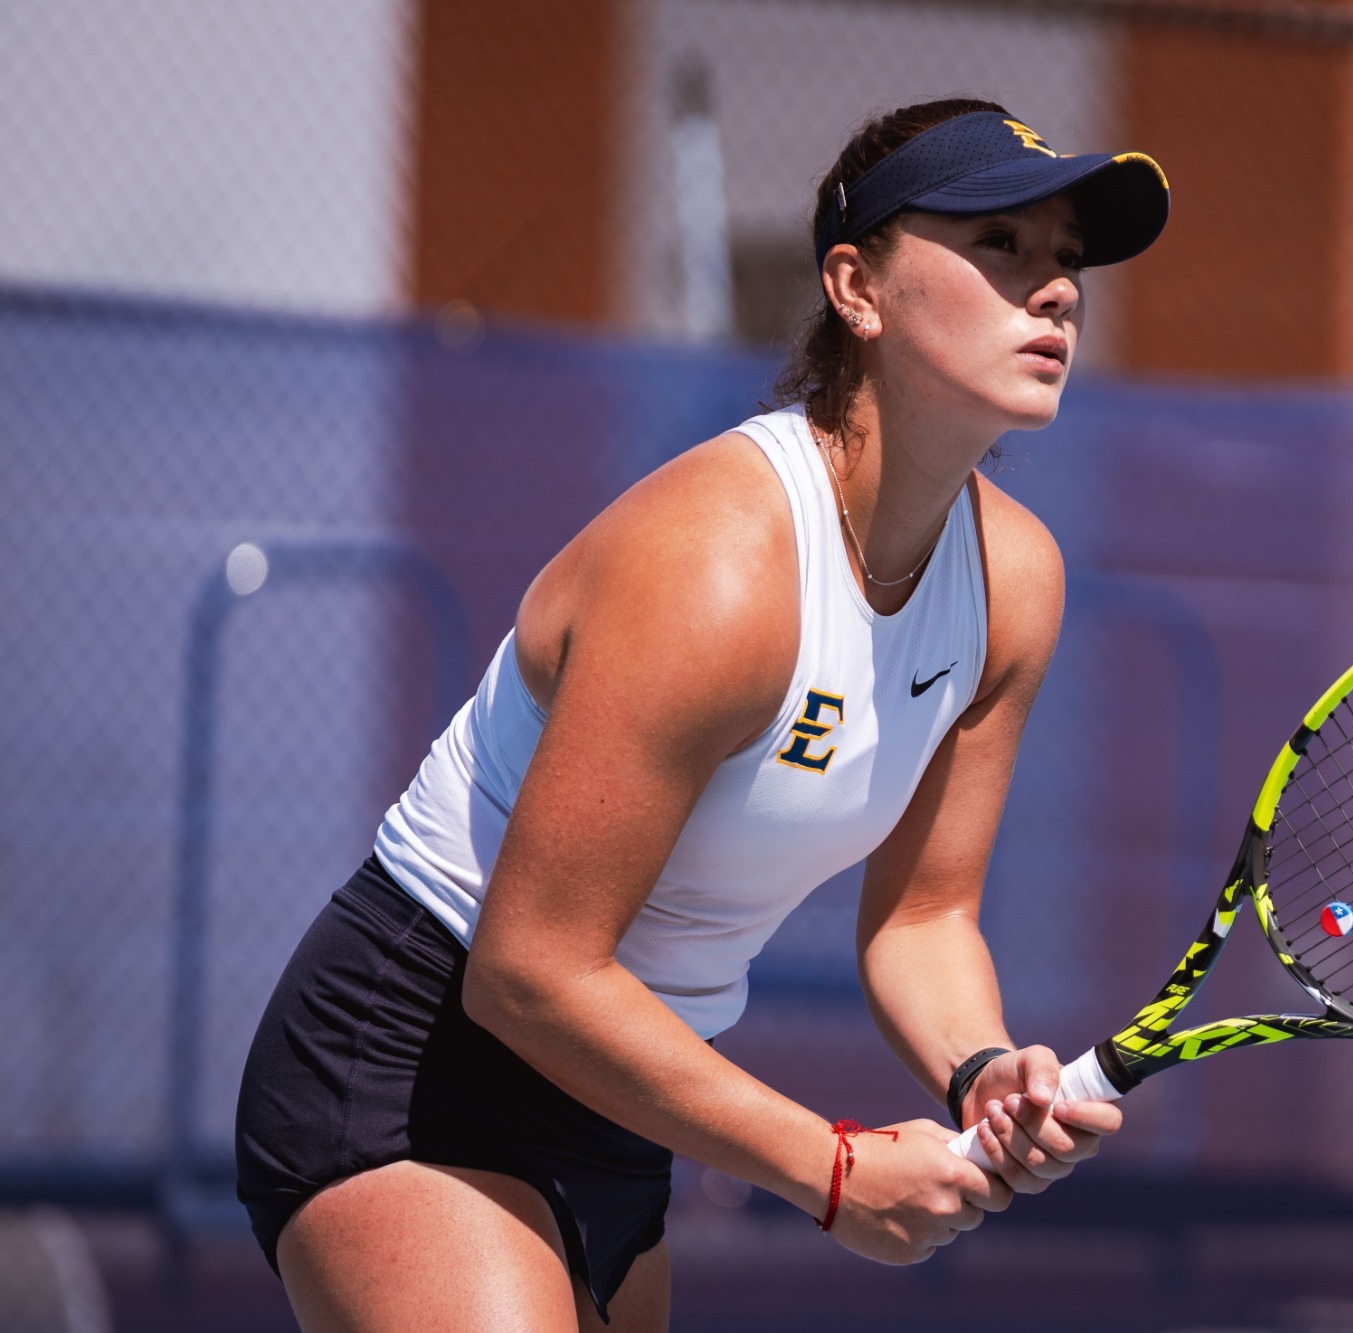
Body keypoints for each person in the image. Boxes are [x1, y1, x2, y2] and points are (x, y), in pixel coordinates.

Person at [234, 97, 1171, 1330]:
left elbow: (924, 919)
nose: (1052, 289)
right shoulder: (718, 566)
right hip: (418, 1055)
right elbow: (527, 970)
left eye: (1063, 259)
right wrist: (833, 1169)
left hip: (623, 1090)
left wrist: (981, 1069)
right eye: (999, 243)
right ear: (857, 287)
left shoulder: (1017, 587)